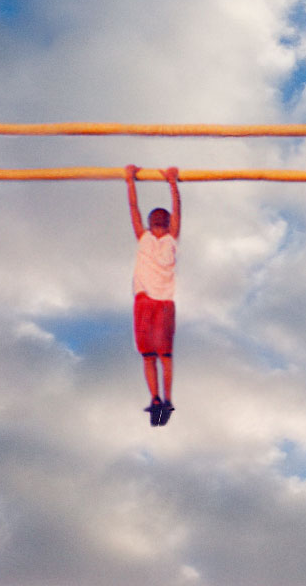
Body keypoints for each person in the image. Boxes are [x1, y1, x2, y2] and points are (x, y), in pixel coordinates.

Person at [126, 164, 181, 426]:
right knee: (149, 355)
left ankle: (166, 399)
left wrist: (172, 182)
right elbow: (133, 210)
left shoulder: (172, 237)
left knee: (165, 355)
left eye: (163, 217)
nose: (159, 220)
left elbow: (178, 211)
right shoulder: (143, 237)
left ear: (168, 222)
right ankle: (156, 398)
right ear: (150, 223)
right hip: (145, 300)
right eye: (155, 217)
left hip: (164, 302)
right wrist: (129, 181)